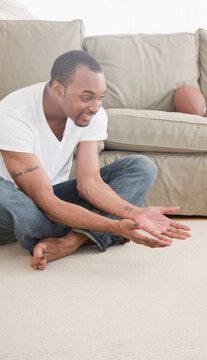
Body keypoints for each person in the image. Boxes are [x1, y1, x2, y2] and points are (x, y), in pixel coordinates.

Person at [0, 50, 191, 271]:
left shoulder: (92, 114)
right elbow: (45, 202)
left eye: (101, 97)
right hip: (15, 208)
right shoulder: (12, 114)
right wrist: (115, 226)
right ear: (58, 89)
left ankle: (70, 241)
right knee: (5, 195)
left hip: (54, 197)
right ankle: (87, 233)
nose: (96, 107)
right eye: (87, 97)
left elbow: (89, 183)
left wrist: (135, 213)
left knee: (141, 166)